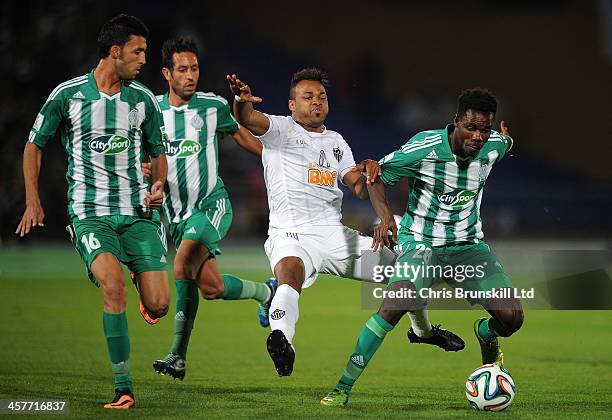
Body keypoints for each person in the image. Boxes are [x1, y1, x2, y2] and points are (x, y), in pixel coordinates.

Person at [227, 68, 465, 377]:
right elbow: (247, 117)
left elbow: (357, 187)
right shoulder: (280, 130)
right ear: (291, 105)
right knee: (290, 275)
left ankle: (423, 331)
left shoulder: (336, 142)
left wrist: (369, 172)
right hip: (292, 234)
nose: (316, 102)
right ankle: (283, 341)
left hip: (336, 236)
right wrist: (240, 100)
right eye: (308, 97)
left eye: (321, 97)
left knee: (409, 271)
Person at [321, 88, 524, 407]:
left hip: (468, 247)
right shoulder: (424, 147)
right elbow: (376, 176)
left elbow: (504, 141)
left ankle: (485, 332)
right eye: (471, 127)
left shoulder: (493, 146)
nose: (478, 136)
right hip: (421, 246)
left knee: (512, 318)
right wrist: (386, 217)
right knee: (392, 307)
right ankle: (342, 387)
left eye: (485, 129)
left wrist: (506, 138)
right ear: (456, 121)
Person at [15, 14, 168, 409]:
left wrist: (158, 186)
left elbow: (159, 151)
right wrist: (33, 199)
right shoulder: (67, 96)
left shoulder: (143, 100)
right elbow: (34, 146)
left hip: (138, 214)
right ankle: (123, 387)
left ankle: (141, 280)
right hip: (90, 213)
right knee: (111, 287)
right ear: (115, 52)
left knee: (159, 305)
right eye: (138, 51)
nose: (144, 60)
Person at [148, 37, 276, 380]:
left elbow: (243, 137)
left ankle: (177, 355)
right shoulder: (151, 110)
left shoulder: (212, 106)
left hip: (211, 205)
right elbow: (144, 156)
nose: (191, 75)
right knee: (212, 288)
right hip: (175, 215)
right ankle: (266, 292)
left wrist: (278, 161)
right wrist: (145, 171)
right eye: (183, 69)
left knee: (181, 263)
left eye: (195, 68)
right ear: (166, 73)